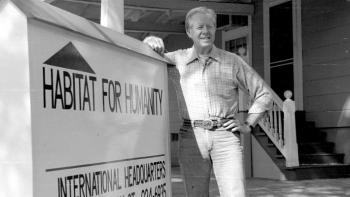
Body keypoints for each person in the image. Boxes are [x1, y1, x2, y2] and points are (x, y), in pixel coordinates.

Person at [144, 7, 272, 197]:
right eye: (199, 27)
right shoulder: (177, 59)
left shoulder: (232, 61)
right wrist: (148, 42)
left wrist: (248, 125)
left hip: (225, 137)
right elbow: (148, 56)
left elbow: (264, 94)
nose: (206, 31)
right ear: (189, 32)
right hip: (191, 137)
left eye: (210, 26)